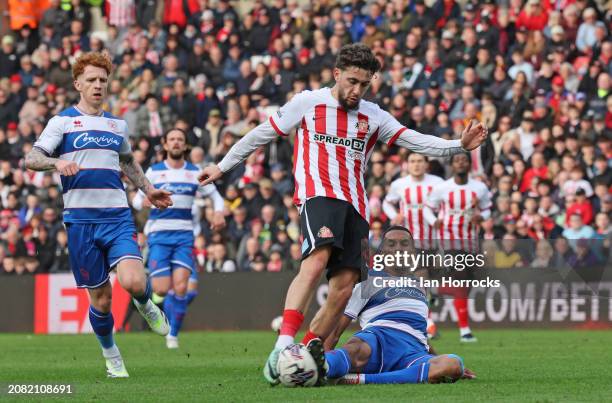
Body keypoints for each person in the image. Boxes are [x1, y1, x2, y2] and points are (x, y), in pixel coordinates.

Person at [197, 43, 488, 385]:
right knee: (317, 260)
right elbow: (261, 134)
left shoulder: (374, 115)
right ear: (337, 74)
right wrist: (223, 165)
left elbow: (414, 140)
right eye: (352, 81)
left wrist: (458, 145)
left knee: (345, 286)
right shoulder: (308, 102)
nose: (356, 90)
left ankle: (300, 357)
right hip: (319, 195)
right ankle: (282, 345)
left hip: (357, 206)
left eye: (364, 84)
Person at [24, 52, 173, 378]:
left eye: (102, 80)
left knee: (133, 281)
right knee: (102, 301)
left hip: (117, 216)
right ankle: (112, 356)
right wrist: (56, 162)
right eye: (91, 80)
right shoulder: (62, 122)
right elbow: (32, 159)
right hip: (80, 222)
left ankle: (146, 304)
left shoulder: (116, 125)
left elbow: (128, 161)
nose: (97, 85)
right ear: (78, 84)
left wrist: (148, 190)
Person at [322, 226, 476, 385]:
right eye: (391, 244)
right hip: (376, 341)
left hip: (412, 351)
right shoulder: (366, 281)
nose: (398, 249)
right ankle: (317, 368)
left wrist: (438, 361)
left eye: (404, 244)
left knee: (454, 363)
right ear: (382, 251)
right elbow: (335, 331)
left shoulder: (419, 286)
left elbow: (419, 333)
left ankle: (360, 379)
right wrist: (325, 355)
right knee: (354, 349)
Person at [132, 128, 225, 349]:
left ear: (185, 146)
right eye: (172, 139)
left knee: (182, 288)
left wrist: (219, 212)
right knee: (161, 289)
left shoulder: (195, 172)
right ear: (165, 144)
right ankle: (145, 303)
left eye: (179, 140)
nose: (175, 143)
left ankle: (172, 334)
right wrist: (144, 202)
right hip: (159, 234)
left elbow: (217, 197)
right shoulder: (154, 172)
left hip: (184, 235)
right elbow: (136, 201)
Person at [424, 152, 492, 342]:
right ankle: (465, 331)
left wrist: (482, 218)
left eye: (464, 160)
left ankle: (435, 290)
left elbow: (487, 209)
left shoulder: (480, 188)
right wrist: (434, 221)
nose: (461, 163)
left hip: (470, 240)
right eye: (457, 160)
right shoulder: (442, 188)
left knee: (466, 284)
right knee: (461, 281)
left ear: (469, 165)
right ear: (452, 166)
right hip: (448, 239)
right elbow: (428, 207)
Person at [382, 152, 443, 338]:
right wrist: (394, 216)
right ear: (407, 165)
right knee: (420, 277)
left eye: (419, 161)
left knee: (428, 282)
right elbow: (387, 202)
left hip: (433, 240)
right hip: (409, 241)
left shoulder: (438, 183)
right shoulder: (399, 185)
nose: (416, 165)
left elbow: (445, 206)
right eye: (412, 161)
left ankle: (424, 313)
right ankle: (428, 323)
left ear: (427, 164)